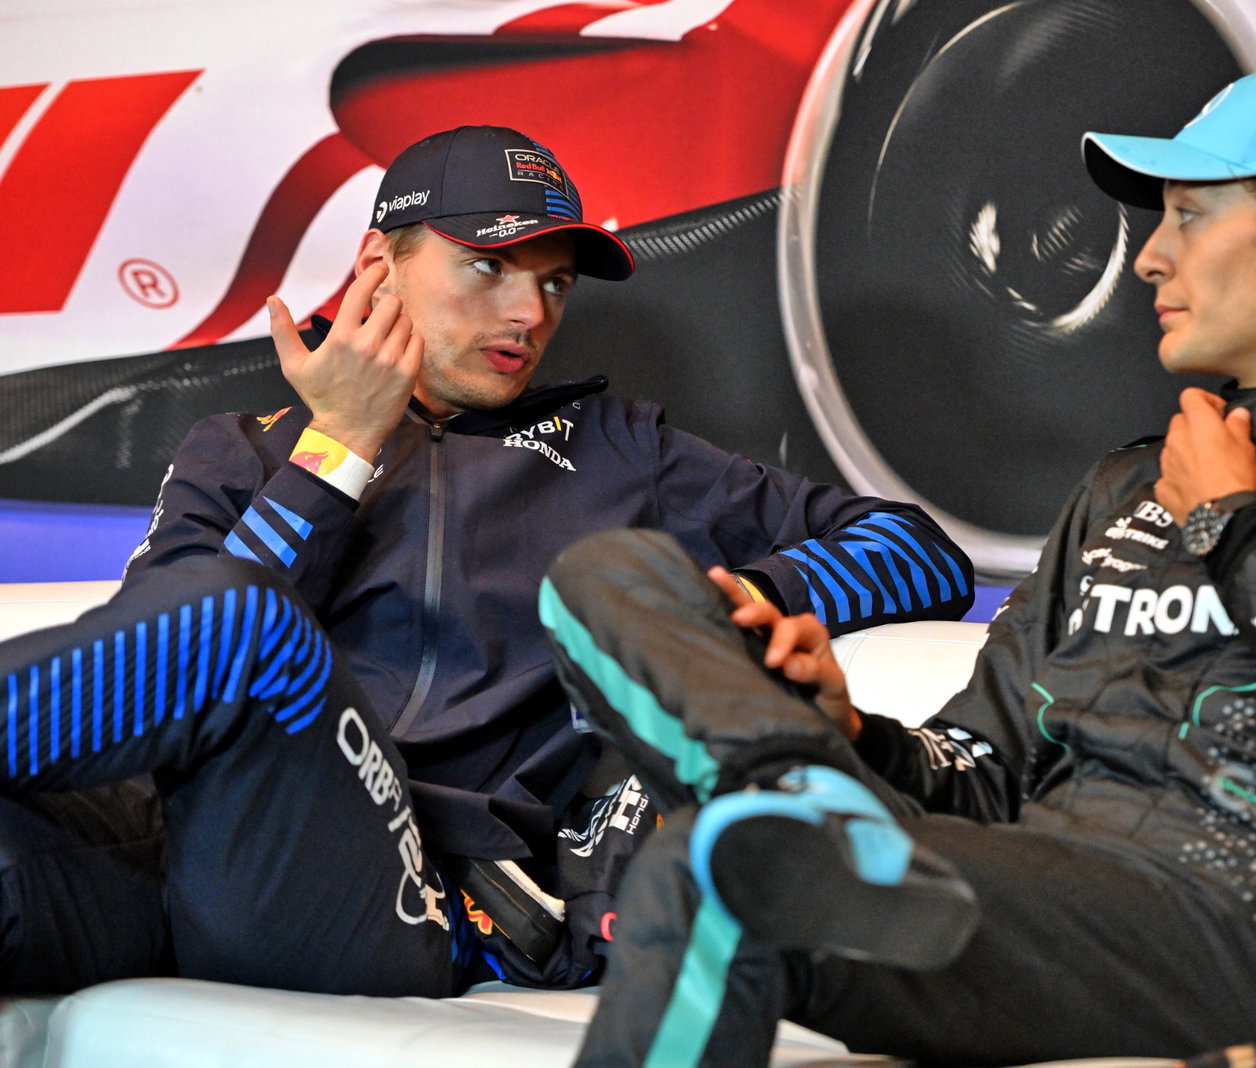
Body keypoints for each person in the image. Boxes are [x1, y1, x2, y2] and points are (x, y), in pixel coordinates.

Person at [535, 71, 1256, 1065]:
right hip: (1005, 890)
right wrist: (849, 730)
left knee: (708, 861)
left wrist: (1228, 521)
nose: (1146, 258)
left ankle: (784, 815)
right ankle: (785, 774)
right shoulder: (1123, 484)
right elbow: (980, 774)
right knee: (606, 575)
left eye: (1189, 214)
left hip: (1220, 931)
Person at [0, 126, 975, 996]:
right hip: (160, 859)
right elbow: (151, 674)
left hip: (403, 890)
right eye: (489, 267)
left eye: (553, 280)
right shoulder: (244, 448)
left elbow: (918, 552)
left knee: (247, 621)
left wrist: (729, 603)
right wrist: (334, 453)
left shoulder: (618, 447)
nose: (530, 312)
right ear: (379, 262)